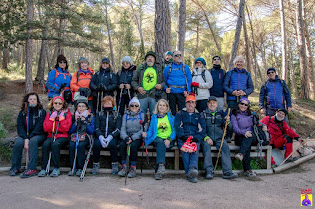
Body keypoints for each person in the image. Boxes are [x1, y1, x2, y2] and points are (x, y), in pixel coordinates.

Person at [10, 93, 46, 177]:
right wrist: (25, 138)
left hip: (38, 135)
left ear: (37, 101)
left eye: (34, 99)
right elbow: (20, 127)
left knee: (33, 142)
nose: (32, 101)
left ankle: (32, 168)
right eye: (30, 99)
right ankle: (15, 167)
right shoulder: (22, 113)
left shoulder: (41, 112)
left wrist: (29, 138)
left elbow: (40, 127)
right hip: (25, 136)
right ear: (27, 101)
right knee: (18, 142)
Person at [201, 96, 237, 180]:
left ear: (217, 104)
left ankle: (227, 172)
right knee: (206, 148)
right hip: (207, 137)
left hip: (219, 138)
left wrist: (227, 122)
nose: (212, 104)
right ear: (207, 104)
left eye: (214, 103)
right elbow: (200, 129)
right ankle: (209, 171)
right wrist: (206, 137)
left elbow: (228, 128)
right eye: (210, 103)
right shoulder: (203, 114)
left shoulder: (221, 113)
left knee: (225, 147)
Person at [231, 98, 266, 178]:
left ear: (248, 106)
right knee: (247, 143)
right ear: (239, 104)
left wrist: (263, 125)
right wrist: (244, 133)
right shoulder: (234, 114)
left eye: (245, 105)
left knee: (249, 137)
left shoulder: (251, 114)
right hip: (240, 137)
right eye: (242, 104)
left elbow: (257, 123)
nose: (243, 106)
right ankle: (247, 169)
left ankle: (241, 153)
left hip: (251, 136)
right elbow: (235, 129)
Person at [175, 95, 206, 183]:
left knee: (194, 148)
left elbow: (202, 130)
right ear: (185, 103)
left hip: (195, 138)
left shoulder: (199, 115)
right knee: (185, 150)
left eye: (192, 102)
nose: (190, 104)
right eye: (188, 102)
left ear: (195, 104)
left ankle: (192, 169)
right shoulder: (180, 114)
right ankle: (191, 173)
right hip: (183, 138)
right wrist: (183, 137)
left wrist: (197, 138)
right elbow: (177, 127)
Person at [38, 96, 72, 177]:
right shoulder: (49, 114)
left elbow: (66, 128)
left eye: (60, 103)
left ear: (63, 104)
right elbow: (46, 128)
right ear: (52, 104)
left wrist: (62, 119)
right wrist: (51, 119)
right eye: (55, 103)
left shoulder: (67, 114)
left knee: (55, 145)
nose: (57, 105)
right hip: (51, 135)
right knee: (46, 145)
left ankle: (56, 168)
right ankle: (44, 168)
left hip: (62, 136)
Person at [144, 99, 176, 180]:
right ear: (157, 107)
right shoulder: (154, 118)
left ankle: (158, 170)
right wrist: (146, 135)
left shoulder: (172, 117)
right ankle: (161, 165)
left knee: (161, 144)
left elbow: (175, 130)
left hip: (169, 140)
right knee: (160, 141)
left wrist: (169, 139)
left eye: (163, 105)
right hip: (157, 138)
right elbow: (151, 130)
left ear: (167, 107)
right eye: (160, 105)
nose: (161, 107)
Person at [93, 96, 122, 175]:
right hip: (101, 135)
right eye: (105, 103)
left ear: (112, 104)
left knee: (113, 145)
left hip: (112, 135)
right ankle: (95, 164)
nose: (107, 105)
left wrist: (110, 136)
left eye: (109, 103)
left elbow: (118, 128)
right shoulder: (99, 114)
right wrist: (100, 136)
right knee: (96, 144)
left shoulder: (116, 114)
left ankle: (114, 164)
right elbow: (96, 127)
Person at [118, 97, 145, 178]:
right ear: (129, 106)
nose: (134, 107)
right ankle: (124, 166)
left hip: (137, 137)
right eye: (132, 105)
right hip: (127, 136)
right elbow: (122, 128)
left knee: (133, 146)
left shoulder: (142, 115)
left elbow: (143, 129)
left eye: (136, 106)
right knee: (122, 145)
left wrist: (133, 138)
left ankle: (133, 167)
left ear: (139, 107)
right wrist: (126, 137)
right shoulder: (125, 115)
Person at [68, 96, 95, 176]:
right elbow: (71, 130)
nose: (81, 108)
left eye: (83, 106)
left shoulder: (90, 116)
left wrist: (85, 122)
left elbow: (91, 131)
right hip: (75, 136)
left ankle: (80, 167)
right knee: (72, 145)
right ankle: (73, 167)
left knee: (81, 146)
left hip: (86, 136)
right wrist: (76, 123)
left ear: (87, 107)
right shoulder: (74, 116)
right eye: (79, 106)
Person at [131, 51, 165, 115]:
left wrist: (161, 86)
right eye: (148, 57)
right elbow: (133, 81)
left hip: (154, 95)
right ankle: (143, 125)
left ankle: (153, 125)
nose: (150, 58)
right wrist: (138, 88)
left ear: (154, 59)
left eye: (151, 57)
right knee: (141, 115)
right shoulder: (141, 68)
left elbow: (164, 81)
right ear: (146, 59)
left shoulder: (159, 69)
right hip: (142, 95)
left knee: (155, 115)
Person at [164, 50, 192, 116]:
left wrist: (188, 91)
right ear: (173, 58)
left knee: (182, 111)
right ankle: (172, 125)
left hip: (182, 93)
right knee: (171, 111)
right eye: (176, 55)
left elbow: (189, 81)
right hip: (171, 93)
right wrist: (165, 88)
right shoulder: (168, 68)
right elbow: (164, 80)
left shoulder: (186, 67)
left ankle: (181, 125)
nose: (179, 57)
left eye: (180, 55)